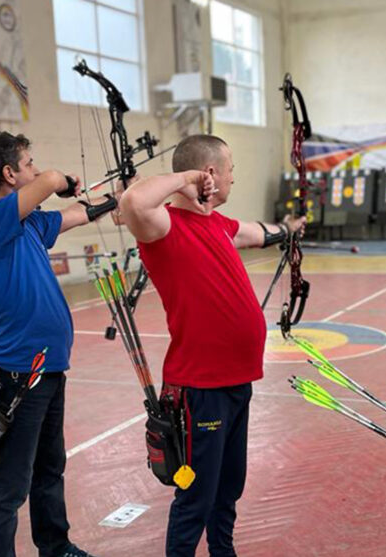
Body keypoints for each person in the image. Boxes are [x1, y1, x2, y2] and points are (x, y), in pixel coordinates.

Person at [119, 134, 304, 557]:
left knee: (228, 485)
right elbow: (133, 202)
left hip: (237, 382)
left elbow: (257, 232)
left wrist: (288, 228)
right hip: (199, 387)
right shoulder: (162, 224)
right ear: (210, 174)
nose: (234, 179)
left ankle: (224, 551)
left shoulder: (219, 225)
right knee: (196, 495)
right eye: (231, 170)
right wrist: (185, 179)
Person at [0, 130, 114, 557]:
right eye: (27, 163)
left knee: (50, 467)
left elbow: (77, 216)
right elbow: (50, 182)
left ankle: (56, 545)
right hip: (15, 372)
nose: (34, 168)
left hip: (47, 369)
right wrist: (62, 178)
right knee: (11, 483)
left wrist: (117, 196)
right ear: (10, 174)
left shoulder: (27, 224)